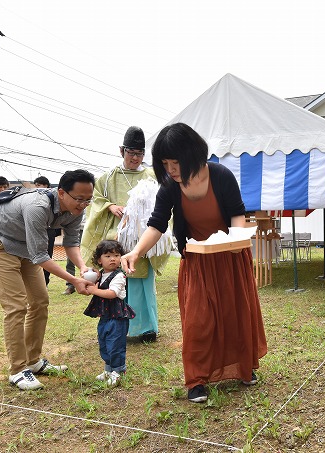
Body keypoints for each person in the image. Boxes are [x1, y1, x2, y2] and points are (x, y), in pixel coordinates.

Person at [120, 123, 268, 403]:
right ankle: (197, 380)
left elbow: (237, 214)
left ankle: (244, 368)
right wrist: (136, 252)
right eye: (165, 163)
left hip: (230, 256)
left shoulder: (221, 175)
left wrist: (236, 242)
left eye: (175, 161)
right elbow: (156, 225)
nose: (171, 169)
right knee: (198, 321)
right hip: (197, 261)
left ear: (192, 155)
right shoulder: (169, 187)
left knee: (235, 312)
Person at [0, 169, 96, 390]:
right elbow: (41, 256)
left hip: (24, 246)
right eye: (79, 199)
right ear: (61, 193)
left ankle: (33, 361)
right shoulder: (37, 207)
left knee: (40, 300)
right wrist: (73, 280)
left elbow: (70, 243)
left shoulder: (76, 211)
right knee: (16, 305)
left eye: (88, 200)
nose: (83, 204)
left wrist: (82, 267)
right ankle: (17, 370)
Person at [81, 126, 167, 342]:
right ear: (122, 151)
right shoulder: (109, 177)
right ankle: (122, 328)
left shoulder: (151, 174)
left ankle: (147, 328)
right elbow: (96, 198)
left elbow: (164, 200)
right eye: (131, 153)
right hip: (117, 237)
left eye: (140, 154)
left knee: (143, 282)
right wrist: (110, 206)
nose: (135, 158)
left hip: (143, 235)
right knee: (118, 281)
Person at [83, 240, 134, 387]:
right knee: (104, 342)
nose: (113, 259)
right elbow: (88, 279)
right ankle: (108, 369)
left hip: (118, 317)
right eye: (107, 256)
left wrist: (94, 291)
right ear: (99, 260)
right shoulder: (102, 275)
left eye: (117, 255)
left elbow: (112, 293)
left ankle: (118, 371)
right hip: (105, 316)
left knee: (115, 344)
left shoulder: (119, 276)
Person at [33, 176, 61, 287]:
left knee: (47, 256)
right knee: (34, 258)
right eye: (37, 185)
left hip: (49, 232)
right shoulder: (35, 199)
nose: (38, 188)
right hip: (36, 231)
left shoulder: (54, 199)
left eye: (40, 185)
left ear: (47, 186)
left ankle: (45, 282)